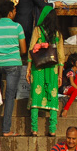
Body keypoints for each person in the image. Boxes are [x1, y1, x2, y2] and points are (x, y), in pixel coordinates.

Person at [0, 1, 27, 135]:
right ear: (10, 13)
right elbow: (23, 49)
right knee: (9, 96)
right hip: (13, 64)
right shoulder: (17, 27)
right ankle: (6, 129)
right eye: (14, 11)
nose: (15, 13)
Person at [27, 7, 63, 136]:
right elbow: (61, 56)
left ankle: (34, 129)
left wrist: (28, 69)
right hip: (53, 70)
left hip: (38, 68)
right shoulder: (58, 34)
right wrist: (60, 75)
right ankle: (52, 130)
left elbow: (31, 49)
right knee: (53, 98)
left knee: (36, 98)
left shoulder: (38, 30)